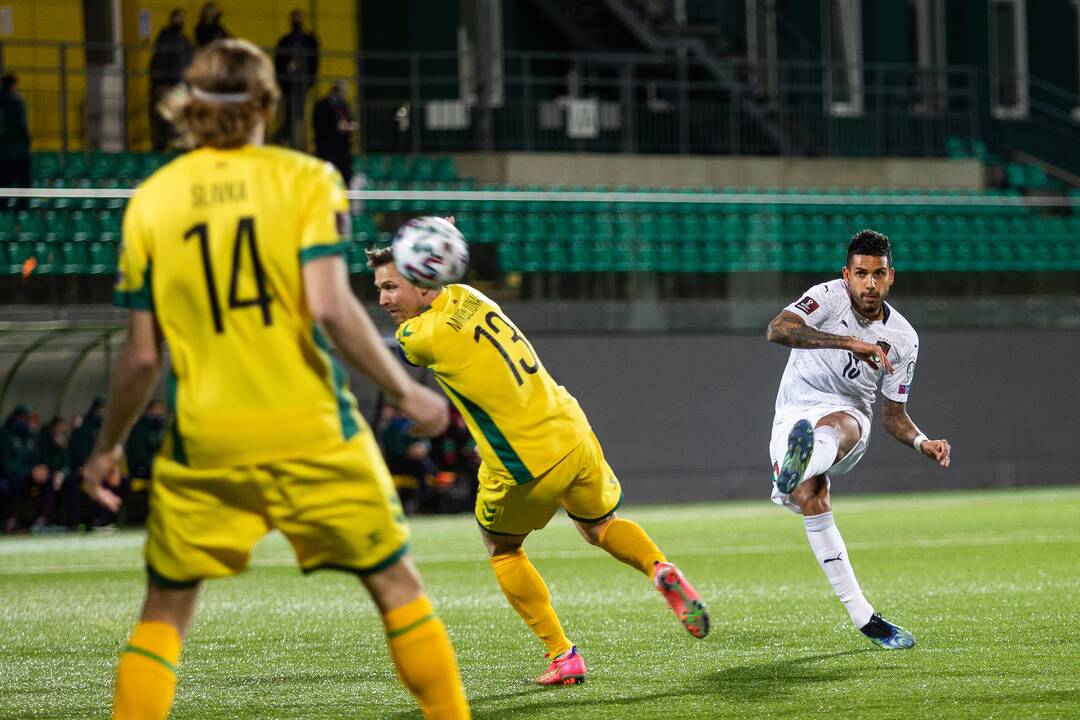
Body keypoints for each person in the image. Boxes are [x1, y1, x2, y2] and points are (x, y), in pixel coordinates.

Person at [81, 39, 469, 719]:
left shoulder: (149, 202)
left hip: (205, 443)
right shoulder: (306, 178)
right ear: (267, 102)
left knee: (165, 612)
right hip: (311, 432)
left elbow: (142, 358)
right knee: (396, 588)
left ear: (188, 106)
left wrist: (108, 446)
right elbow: (327, 306)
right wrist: (406, 391)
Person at [369, 239, 709, 686]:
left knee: (503, 549)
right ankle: (659, 567)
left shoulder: (418, 336)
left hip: (521, 460)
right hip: (572, 430)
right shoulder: (471, 296)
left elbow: (409, 351)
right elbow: (447, 285)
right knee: (600, 525)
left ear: (420, 280)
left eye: (391, 286)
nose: (383, 300)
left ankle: (562, 654)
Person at [765, 229, 951, 650]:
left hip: (851, 418)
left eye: (878, 274)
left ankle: (795, 466)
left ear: (891, 277)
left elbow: (893, 416)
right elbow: (778, 329)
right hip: (793, 413)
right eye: (861, 273)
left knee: (839, 425)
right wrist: (850, 341)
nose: (870, 283)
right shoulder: (827, 298)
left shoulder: (903, 339)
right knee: (814, 496)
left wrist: (924, 443)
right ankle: (865, 618)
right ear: (845, 275)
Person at [273, 9, 319, 149]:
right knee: (291, 113)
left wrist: (311, 78)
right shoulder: (285, 40)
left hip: (302, 83)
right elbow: (279, 61)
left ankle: (283, 137)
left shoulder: (308, 40)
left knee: (298, 114)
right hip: (288, 83)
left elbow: (314, 58)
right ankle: (285, 138)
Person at [148, 9, 193, 150]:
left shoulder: (184, 39)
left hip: (179, 85)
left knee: (176, 123)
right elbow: (160, 61)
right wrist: (161, 83)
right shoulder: (167, 37)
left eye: (181, 18)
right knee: (164, 122)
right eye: (177, 17)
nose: (179, 21)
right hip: (169, 85)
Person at [1, 405, 45, 533]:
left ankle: (41, 520)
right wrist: (29, 470)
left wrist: (36, 470)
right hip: (8, 475)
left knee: (46, 479)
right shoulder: (5, 434)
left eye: (25, 418)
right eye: (20, 418)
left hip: (26, 474)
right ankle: (12, 520)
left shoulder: (31, 436)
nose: (23, 421)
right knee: (16, 481)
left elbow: (35, 459)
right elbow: (7, 464)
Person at [312, 79, 357, 185]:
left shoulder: (344, 105)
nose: (345, 94)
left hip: (342, 151)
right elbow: (319, 126)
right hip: (327, 150)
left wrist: (350, 125)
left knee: (345, 178)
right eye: (343, 91)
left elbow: (349, 119)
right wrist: (336, 127)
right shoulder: (321, 105)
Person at [0, 73, 31, 212]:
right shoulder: (17, 101)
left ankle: (4, 212)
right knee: (23, 184)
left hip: (3, 152)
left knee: (4, 184)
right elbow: (20, 126)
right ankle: (20, 211)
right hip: (17, 151)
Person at [34, 417, 71, 529]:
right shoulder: (44, 440)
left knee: (71, 482)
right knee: (48, 482)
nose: (61, 430)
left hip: (57, 475)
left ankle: (70, 523)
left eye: (62, 428)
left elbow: (67, 464)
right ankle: (44, 520)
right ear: (53, 428)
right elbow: (44, 462)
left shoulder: (64, 442)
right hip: (42, 473)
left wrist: (61, 473)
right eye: (59, 427)